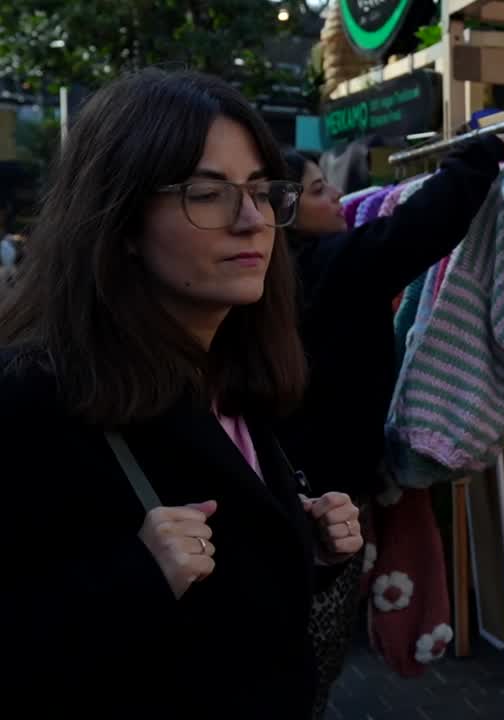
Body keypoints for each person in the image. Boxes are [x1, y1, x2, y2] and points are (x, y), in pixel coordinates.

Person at [0, 69, 363, 718]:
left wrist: (306, 545)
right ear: (123, 221)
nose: (251, 220)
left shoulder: (230, 375)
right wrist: (135, 579)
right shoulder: (36, 399)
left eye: (261, 191)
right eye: (207, 193)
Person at [279, 135, 504, 713]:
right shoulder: (324, 265)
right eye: (321, 190)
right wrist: (486, 150)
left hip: (312, 477)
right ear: (284, 211)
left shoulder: (291, 274)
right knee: (308, 646)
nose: (341, 197)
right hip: (320, 485)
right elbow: (420, 228)